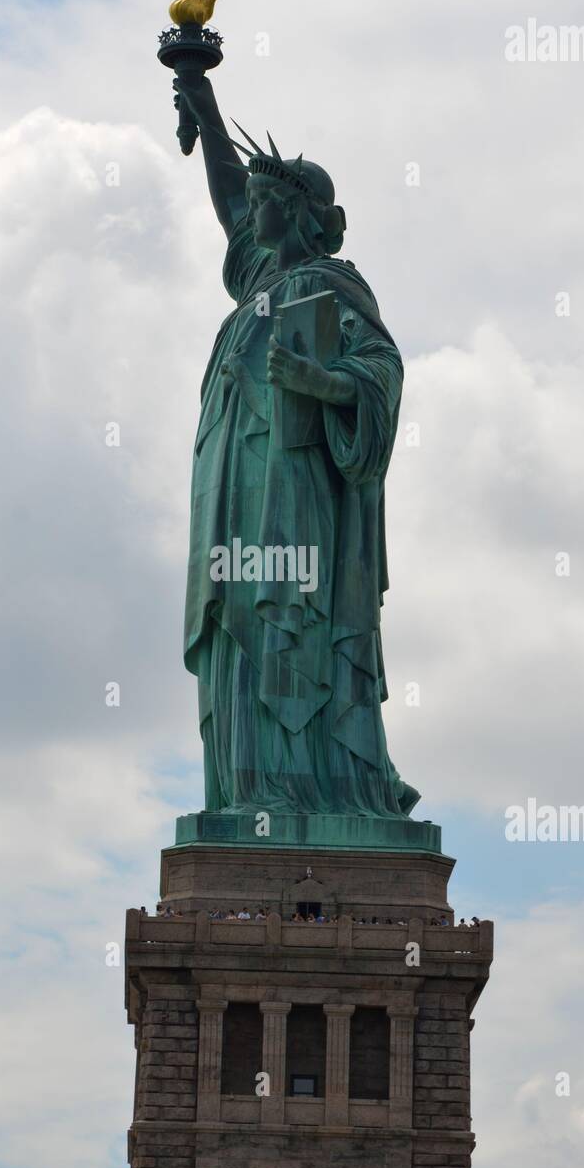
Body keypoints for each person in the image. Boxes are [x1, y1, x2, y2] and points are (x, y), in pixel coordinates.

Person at [174, 74, 421, 820]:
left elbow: (380, 368)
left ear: (306, 216)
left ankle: (320, 786)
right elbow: (225, 199)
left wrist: (321, 380)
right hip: (231, 490)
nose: (252, 209)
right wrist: (198, 94)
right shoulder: (256, 278)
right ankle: (249, 789)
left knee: (292, 616)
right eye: (252, 200)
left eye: (268, 200)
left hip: (296, 487)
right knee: (236, 627)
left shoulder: (329, 284)